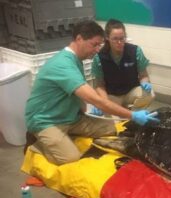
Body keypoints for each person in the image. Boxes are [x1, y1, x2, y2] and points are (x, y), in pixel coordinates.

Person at [25, 20, 158, 165]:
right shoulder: (63, 65)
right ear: (79, 39)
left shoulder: (77, 60)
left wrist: (84, 109)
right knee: (71, 158)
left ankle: (65, 135)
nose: (96, 49)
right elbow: (98, 99)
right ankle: (36, 145)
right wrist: (133, 115)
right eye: (94, 44)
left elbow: (75, 94)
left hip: (70, 117)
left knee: (110, 129)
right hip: (46, 120)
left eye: (99, 45)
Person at [91, 19, 154, 116]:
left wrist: (145, 82)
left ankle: (133, 115)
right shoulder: (99, 58)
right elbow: (99, 85)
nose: (119, 42)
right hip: (112, 95)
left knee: (149, 94)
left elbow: (143, 75)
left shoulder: (135, 51)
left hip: (131, 91)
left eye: (122, 38)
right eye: (115, 39)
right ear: (107, 38)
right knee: (110, 122)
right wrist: (102, 102)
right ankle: (122, 114)